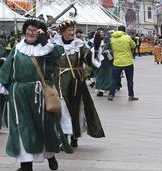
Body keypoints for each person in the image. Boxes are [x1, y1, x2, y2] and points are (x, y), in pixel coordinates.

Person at [0, 18, 73, 171]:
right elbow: (6, 69)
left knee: (43, 126)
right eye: (28, 30)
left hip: (39, 93)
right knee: (21, 127)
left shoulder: (46, 50)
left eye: (35, 30)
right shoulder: (17, 48)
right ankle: (26, 164)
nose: (31, 33)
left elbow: (59, 52)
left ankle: (50, 155)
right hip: (19, 93)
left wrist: (44, 41)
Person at [55, 20, 105, 149]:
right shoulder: (55, 45)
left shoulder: (79, 45)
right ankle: (64, 137)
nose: (72, 33)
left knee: (77, 109)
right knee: (63, 109)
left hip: (77, 82)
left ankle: (74, 136)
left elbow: (88, 57)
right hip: (60, 83)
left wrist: (96, 47)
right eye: (69, 30)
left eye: (73, 30)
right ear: (62, 32)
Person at [108, 26, 138, 102]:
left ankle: (111, 94)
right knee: (130, 80)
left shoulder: (112, 39)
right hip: (128, 62)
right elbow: (133, 46)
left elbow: (111, 47)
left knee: (114, 79)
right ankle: (131, 96)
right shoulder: (127, 38)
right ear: (124, 30)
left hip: (117, 62)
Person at [92, 29, 114, 97]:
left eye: (102, 33)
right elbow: (93, 50)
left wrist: (107, 51)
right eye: (100, 33)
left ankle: (105, 89)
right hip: (99, 61)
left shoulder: (108, 41)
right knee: (99, 75)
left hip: (107, 60)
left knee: (107, 75)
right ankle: (100, 90)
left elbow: (112, 49)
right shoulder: (95, 41)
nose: (102, 34)